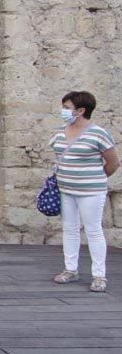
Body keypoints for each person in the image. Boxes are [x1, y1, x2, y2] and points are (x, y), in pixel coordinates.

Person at [49, 91, 119, 292]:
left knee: (93, 230)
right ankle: (70, 269)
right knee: (69, 229)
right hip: (66, 189)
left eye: (67, 107)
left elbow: (113, 162)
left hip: (90, 190)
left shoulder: (98, 133)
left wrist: (95, 178)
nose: (64, 111)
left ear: (81, 111)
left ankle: (99, 275)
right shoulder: (60, 132)